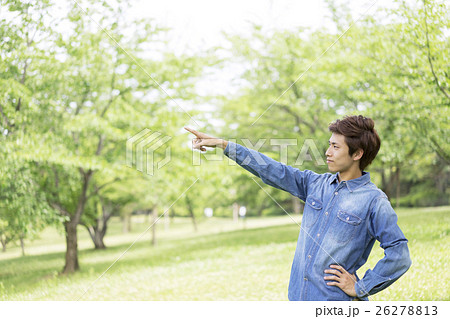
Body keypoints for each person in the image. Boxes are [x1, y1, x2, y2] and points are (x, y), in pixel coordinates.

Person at [184, 115, 412, 301]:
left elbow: (399, 254)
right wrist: (225, 145)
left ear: (357, 154)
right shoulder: (315, 184)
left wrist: (361, 287)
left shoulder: (374, 200)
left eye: (335, 146)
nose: (327, 152)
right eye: (329, 145)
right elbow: (273, 170)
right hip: (297, 300)